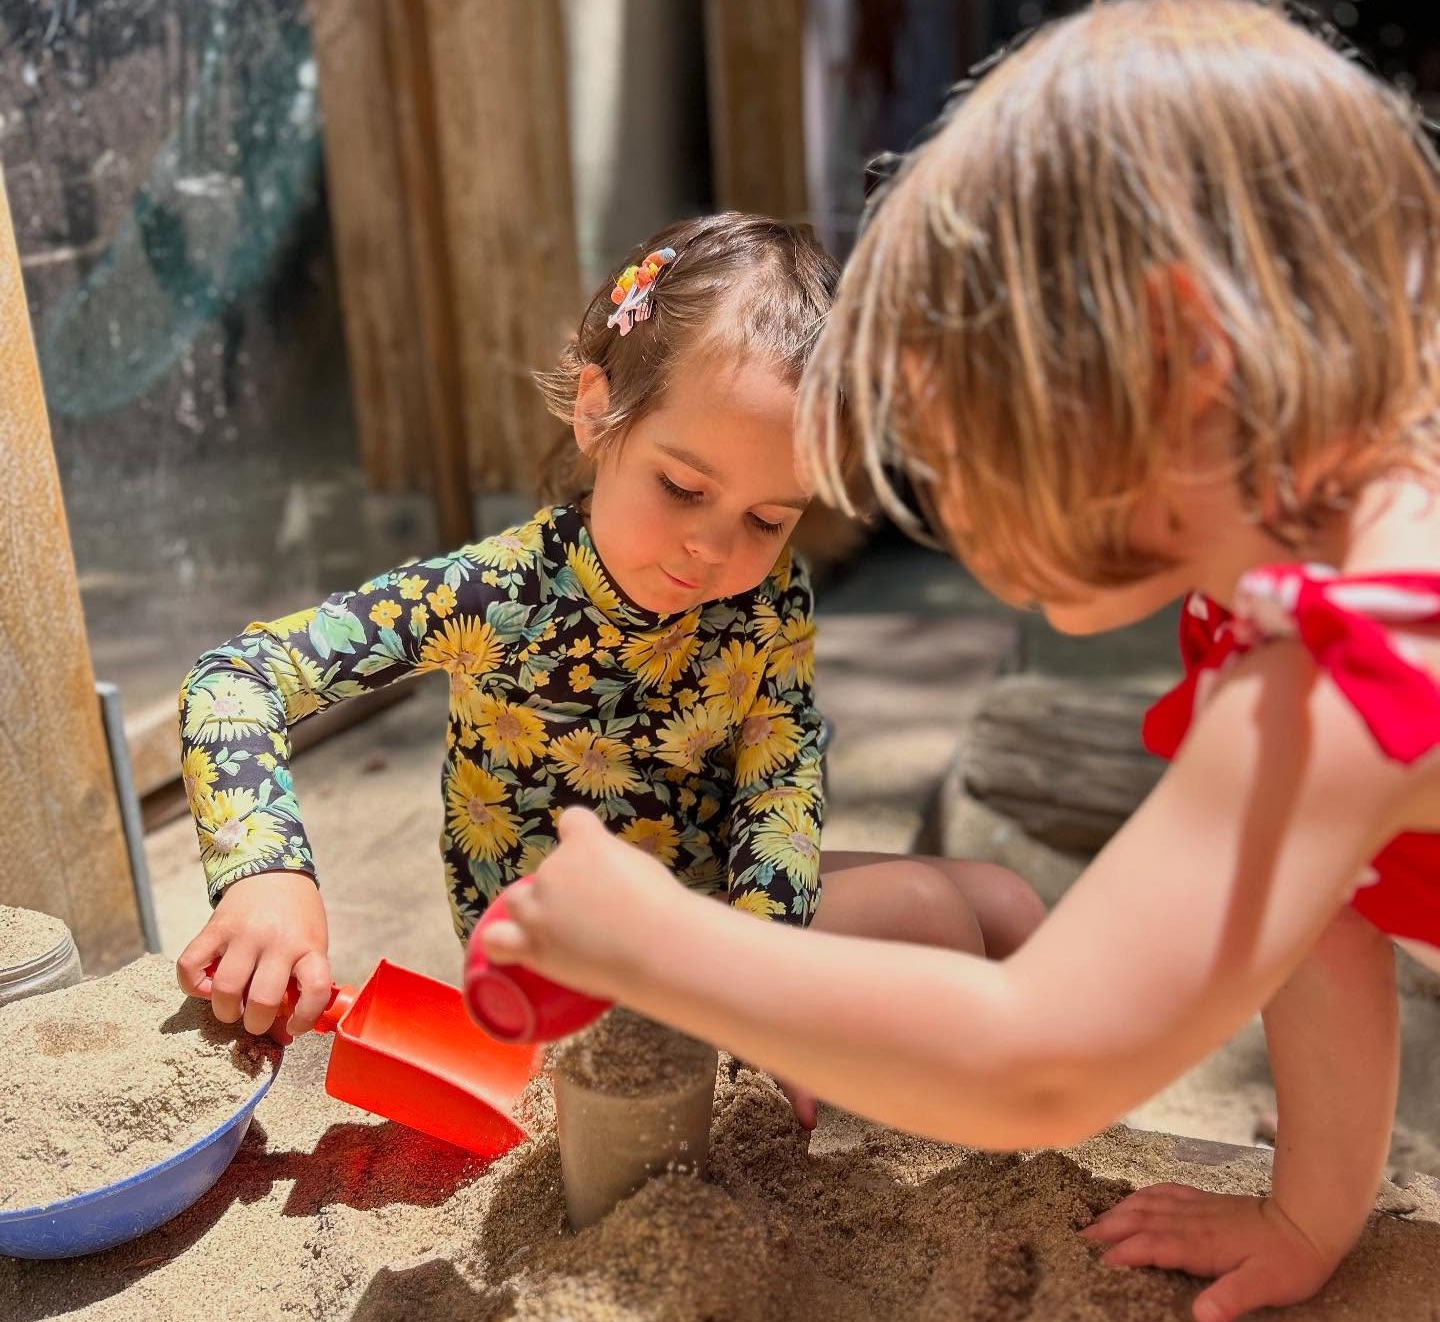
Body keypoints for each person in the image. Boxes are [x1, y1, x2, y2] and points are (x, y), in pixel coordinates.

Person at [476, 0, 1440, 1322]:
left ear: (1176, 353)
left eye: (971, 445)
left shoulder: (1353, 663)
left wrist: (661, 941)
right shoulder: (1322, 579)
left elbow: (1041, 1056)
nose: (962, 524)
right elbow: (1324, 916)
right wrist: (1308, 1212)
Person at [174, 211, 1042, 1113]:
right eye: (683, 487)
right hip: (560, 972)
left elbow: (780, 777)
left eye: (767, 517)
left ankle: (1034, 1150)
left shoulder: (767, 596)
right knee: (927, 912)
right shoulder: (496, 594)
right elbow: (237, 677)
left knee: (1008, 907)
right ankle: (945, 1146)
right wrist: (267, 877)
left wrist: (766, 958)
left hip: (705, 916)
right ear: (597, 412)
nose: (714, 547)